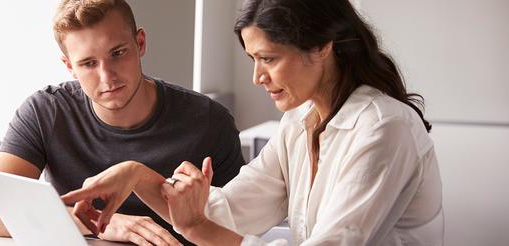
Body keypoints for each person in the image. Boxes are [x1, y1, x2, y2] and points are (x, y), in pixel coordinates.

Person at [61, 0, 444, 245]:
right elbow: (226, 209)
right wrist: (134, 174)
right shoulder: (300, 122)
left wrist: (197, 227)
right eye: (252, 60)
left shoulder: (383, 128)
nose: (257, 77)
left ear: (322, 47)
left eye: (270, 59)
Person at [0, 0, 245, 245]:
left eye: (118, 53)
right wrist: (100, 224)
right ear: (69, 66)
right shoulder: (45, 111)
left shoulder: (209, 120)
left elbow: (241, 231)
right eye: (88, 63)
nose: (107, 77)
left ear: (141, 43)